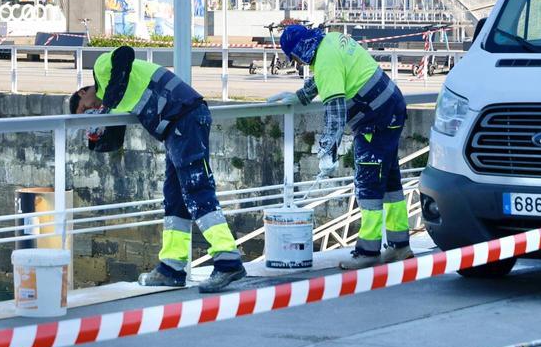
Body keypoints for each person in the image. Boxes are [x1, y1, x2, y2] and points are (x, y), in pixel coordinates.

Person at [69, 45, 246, 293]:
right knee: (175, 199)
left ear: (83, 91)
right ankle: (171, 268)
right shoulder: (116, 100)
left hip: (185, 117)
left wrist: (108, 98)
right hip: (179, 125)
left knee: (197, 190)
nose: (93, 111)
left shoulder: (102, 69)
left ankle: (228, 260)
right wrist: (96, 134)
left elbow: (125, 53)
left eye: (85, 108)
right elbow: (111, 141)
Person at [269, 25, 412, 270]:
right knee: (389, 180)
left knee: (368, 184)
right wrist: (302, 95)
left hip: (374, 121)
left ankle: (368, 251)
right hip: (391, 108)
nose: (296, 62)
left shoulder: (324, 60)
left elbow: (335, 114)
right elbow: (329, 76)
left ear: (301, 50)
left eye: (293, 57)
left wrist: (326, 152)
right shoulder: (333, 40)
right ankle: (400, 246)